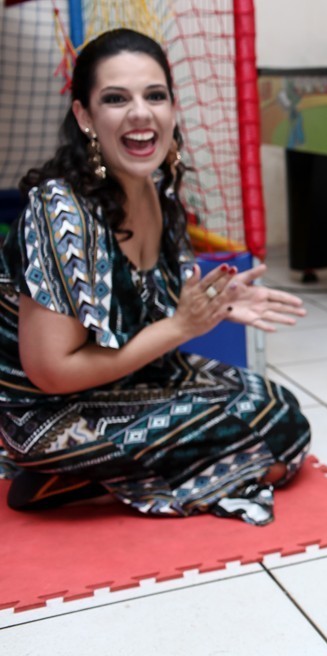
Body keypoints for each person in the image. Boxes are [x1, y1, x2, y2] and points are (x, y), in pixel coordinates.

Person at [0, 28, 310, 526]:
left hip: (130, 380)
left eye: (155, 96)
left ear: (172, 108)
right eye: (116, 99)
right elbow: (51, 372)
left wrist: (216, 303)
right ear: (84, 116)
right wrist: (182, 327)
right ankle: (60, 477)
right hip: (48, 413)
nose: (140, 113)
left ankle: (112, 477)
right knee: (260, 445)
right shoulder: (61, 212)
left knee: (278, 412)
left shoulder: (157, 190)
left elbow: (151, 307)